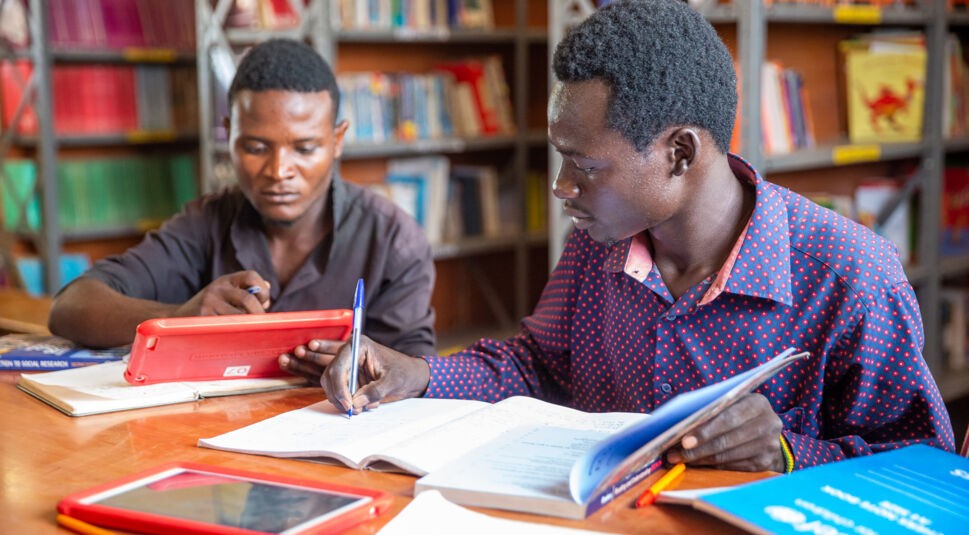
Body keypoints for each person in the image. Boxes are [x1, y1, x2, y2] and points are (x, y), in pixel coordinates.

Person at [283, 0, 955, 472]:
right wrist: (420, 372)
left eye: (585, 164)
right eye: (559, 157)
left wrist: (785, 452)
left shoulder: (850, 273)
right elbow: (538, 366)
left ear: (680, 154)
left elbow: (923, 472)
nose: (560, 186)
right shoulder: (600, 238)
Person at [48, 38, 436, 359]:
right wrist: (179, 317)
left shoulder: (393, 240)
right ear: (230, 136)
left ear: (337, 141)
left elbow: (415, 373)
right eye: (255, 147)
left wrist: (374, 369)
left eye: (304, 148)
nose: (278, 170)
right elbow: (71, 307)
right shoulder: (205, 223)